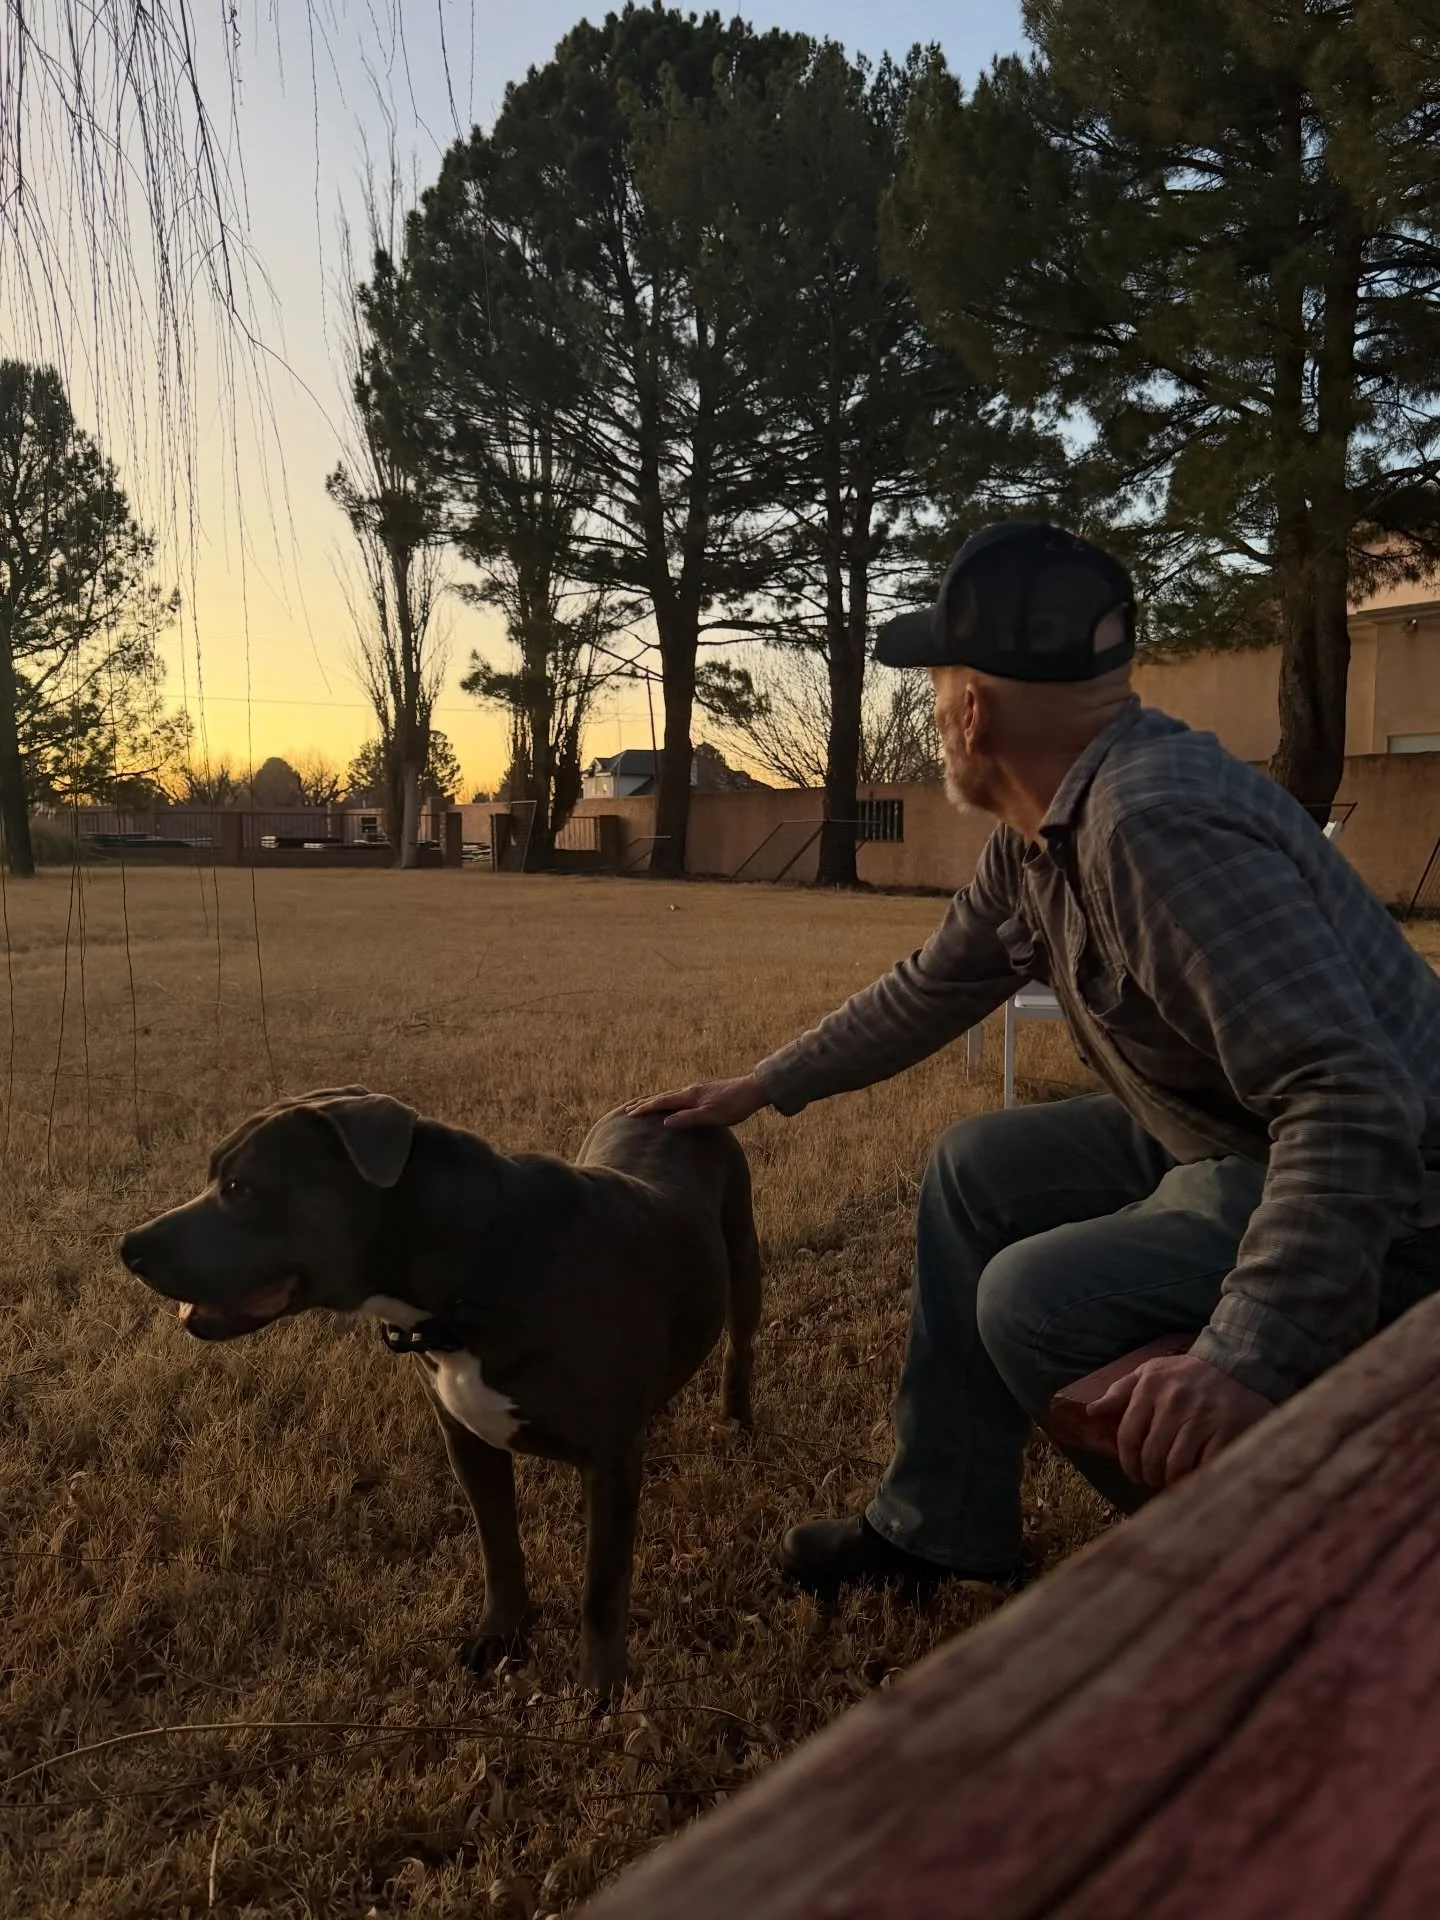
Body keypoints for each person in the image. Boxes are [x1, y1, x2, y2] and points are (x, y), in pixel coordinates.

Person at [628, 519, 1440, 1595]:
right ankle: (941, 1526)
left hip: (1404, 1203)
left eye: (937, 689)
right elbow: (937, 981)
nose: (935, 714)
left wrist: (1250, 1353)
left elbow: (1351, 1104)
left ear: (973, 708)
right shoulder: (1044, 831)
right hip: (1239, 1136)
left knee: (1034, 1299)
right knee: (979, 1170)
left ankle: (1303, 1596)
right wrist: (766, 1086)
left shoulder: (1151, 827)